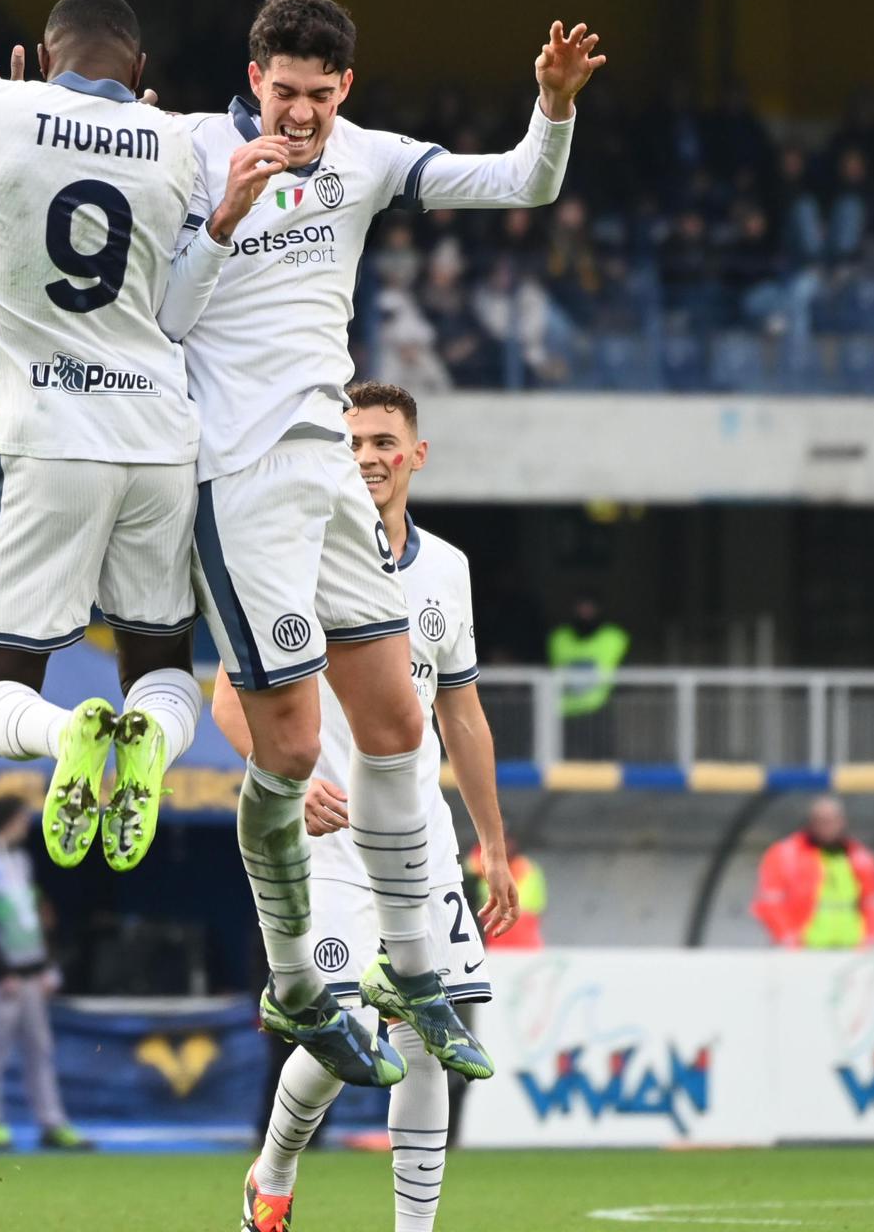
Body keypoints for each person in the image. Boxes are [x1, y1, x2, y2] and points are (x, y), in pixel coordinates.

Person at [174, 0, 602, 1098]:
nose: (303, 112)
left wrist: (551, 107)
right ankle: (292, 976)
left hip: (326, 484)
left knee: (402, 722)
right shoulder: (192, 153)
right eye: (285, 91)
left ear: (345, 87)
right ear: (254, 74)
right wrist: (220, 220)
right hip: (240, 477)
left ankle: (416, 972)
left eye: (321, 93)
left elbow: (523, 180)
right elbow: (164, 317)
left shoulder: (365, 157)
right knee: (287, 749)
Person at [0, 0, 287, 876]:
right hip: (160, 440)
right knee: (160, 662)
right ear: (140, 71)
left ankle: (69, 733)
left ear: (45, 61)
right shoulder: (172, 145)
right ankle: (146, 741)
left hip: (48, 437)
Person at [213, 383, 520, 1232]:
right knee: (344, 1030)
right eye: (352, 443)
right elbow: (229, 701)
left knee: (427, 1033)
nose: (369, 456)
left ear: (416, 455)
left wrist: (492, 843)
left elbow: (461, 713)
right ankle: (271, 1174)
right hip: (332, 845)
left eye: (385, 440)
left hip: (421, 841)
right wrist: (290, 778)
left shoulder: (447, 570)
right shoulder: (295, 559)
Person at [0, 796, 90, 1152]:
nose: (26, 825)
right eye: (20, 819)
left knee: (40, 1050)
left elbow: (31, 919)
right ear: (6, 821)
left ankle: (52, 1122)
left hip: (29, 973)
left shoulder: (20, 860)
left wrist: (45, 966)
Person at [751, 795, 874, 950]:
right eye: (821, 821)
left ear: (842, 822)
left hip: (849, 947)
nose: (826, 826)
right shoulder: (786, 854)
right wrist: (787, 938)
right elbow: (769, 902)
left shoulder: (859, 856)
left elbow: (870, 902)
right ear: (811, 822)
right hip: (805, 948)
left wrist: (868, 939)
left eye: (831, 820)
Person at [548, 596, 628, 718]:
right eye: (582, 608)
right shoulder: (559, 637)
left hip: (598, 710)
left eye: (589, 608)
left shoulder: (614, 637)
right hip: (563, 711)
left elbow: (628, 677)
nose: (585, 613)